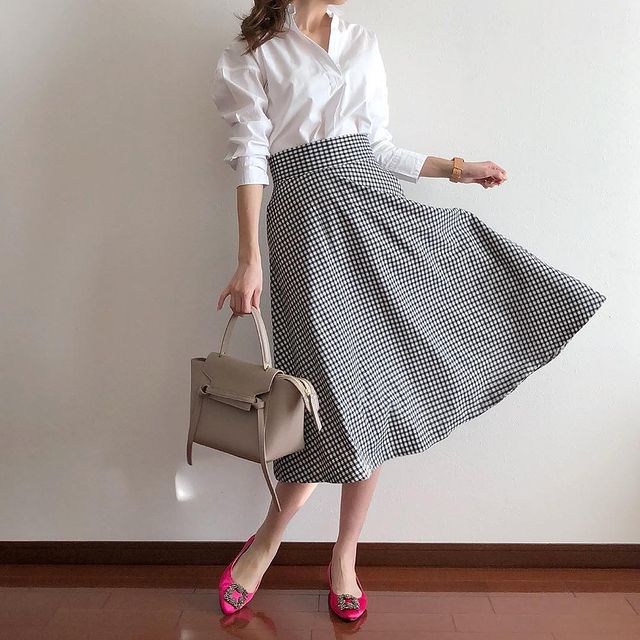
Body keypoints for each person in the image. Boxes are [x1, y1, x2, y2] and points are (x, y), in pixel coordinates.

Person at [210, 0, 606, 620]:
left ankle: (344, 556)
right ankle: (268, 540)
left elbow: (378, 148)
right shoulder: (254, 51)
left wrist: (456, 169)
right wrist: (248, 258)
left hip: (375, 215)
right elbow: (251, 154)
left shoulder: (362, 43)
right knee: (320, 403)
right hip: (304, 232)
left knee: (377, 395)